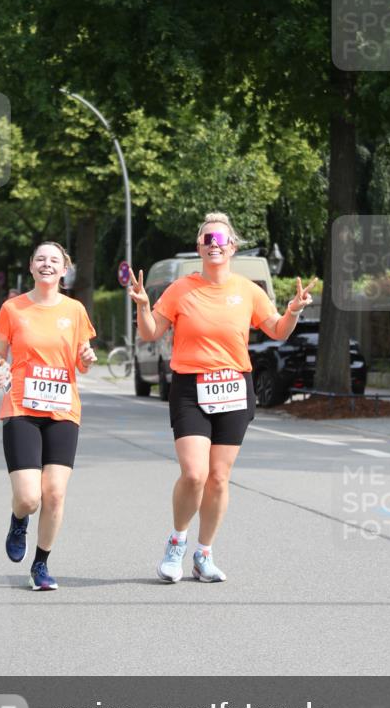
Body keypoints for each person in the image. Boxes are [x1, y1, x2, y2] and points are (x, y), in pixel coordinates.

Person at [129, 212, 314, 583]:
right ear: (199, 247)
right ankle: (177, 542)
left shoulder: (247, 290)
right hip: (190, 387)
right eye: (207, 239)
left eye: (220, 239)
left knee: (218, 478)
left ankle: (204, 554)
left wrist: (292, 312)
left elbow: (277, 330)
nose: (214, 245)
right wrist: (143, 306)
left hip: (233, 387)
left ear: (232, 247)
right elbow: (150, 334)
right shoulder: (180, 289)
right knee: (194, 474)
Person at [0, 242, 97, 591]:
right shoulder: (13, 308)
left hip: (63, 410)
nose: (47, 264)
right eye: (41, 259)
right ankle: (19, 519)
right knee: (29, 497)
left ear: (64, 269)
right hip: (21, 407)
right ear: (31, 267)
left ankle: (41, 564)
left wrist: (87, 359)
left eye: (54, 260)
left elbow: (82, 359)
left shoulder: (75, 310)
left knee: (54, 493)